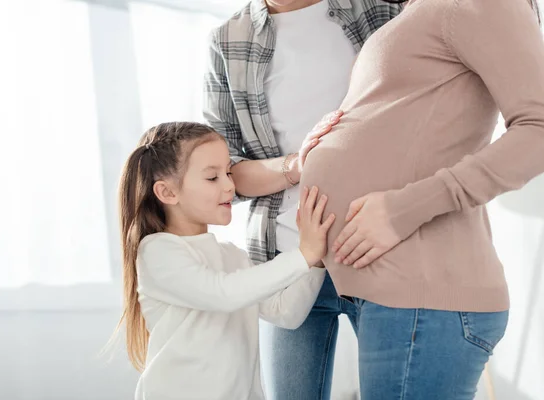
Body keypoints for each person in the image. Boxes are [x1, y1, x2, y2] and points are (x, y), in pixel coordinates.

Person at [299, 0, 544, 398]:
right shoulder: (421, 9)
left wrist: (400, 211)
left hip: (424, 300)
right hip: (392, 291)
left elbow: (539, 131)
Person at [203, 1, 403, 398]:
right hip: (286, 262)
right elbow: (224, 169)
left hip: (380, 248)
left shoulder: (377, 7)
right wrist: (298, 164)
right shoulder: (228, 38)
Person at [113, 121, 336, 400]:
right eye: (212, 177)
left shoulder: (232, 255)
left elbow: (286, 313)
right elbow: (224, 293)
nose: (230, 185)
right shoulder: (157, 252)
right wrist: (303, 254)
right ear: (167, 192)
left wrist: (316, 260)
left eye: (229, 172)